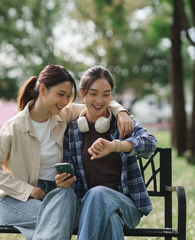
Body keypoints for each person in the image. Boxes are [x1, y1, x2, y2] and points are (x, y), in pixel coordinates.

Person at [0, 64, 133, 240]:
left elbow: (96, 103)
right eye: (61, 94)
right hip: (16, 200)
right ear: (43, 89)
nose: (65, 101)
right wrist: (27, 190)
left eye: (68, 96)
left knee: (64, 211)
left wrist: (121, 111)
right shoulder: (14, 127)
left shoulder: (63, 114)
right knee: (58, 221)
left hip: (60, 196)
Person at [58, 66, 157, 240]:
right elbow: (72, 180)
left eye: (106, 94)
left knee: (99, 193)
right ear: (83, 94)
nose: (99, 100)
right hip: (88, 208)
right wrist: (64, 181)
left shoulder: (122, 124)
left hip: (126, 205)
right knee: (110, 219)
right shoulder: (72, 131)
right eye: (93, 93)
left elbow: (150, 143)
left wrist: (116, 146)